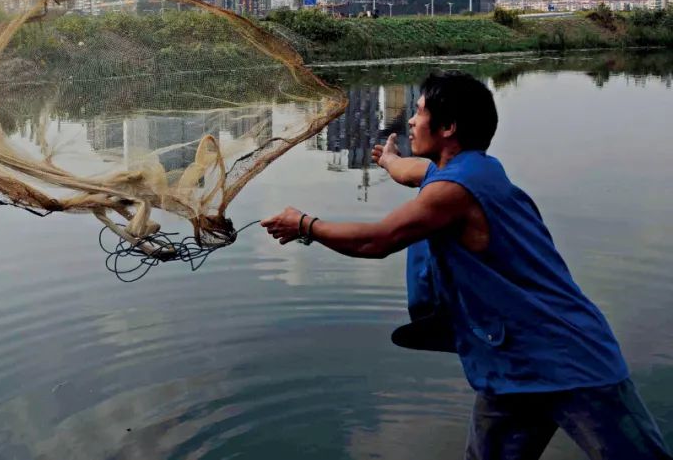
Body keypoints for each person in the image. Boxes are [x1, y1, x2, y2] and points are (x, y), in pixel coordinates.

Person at [261, 70, 671, 459]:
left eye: (420, 112)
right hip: (509, 365)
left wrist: (304, 225)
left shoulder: (455, 191)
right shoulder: (468, 169)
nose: (412, 122)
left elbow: (377, 240)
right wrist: (387, 161)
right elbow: (416, 170)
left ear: (448, 127)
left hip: (570, 360)